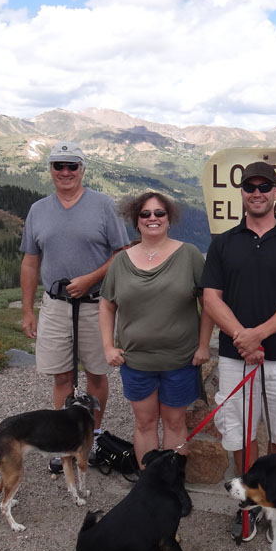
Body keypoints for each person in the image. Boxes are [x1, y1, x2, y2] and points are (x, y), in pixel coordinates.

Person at [201, 161, 276, 542]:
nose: (257, 193)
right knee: (240, 434)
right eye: (250, 187)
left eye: (264, 186)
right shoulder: (224, 243)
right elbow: (210, 298)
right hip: (236, 356)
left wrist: (260, 335)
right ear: (242, 192)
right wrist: (242, 338)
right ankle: (251, 504)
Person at [20, 142, 130, 467]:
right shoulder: (38, 210)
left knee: (96, 373)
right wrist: (27, 310)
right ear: (51, 170)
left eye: (72, 166)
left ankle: (92, 436)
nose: (66, 172)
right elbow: (30, 261)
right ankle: (65, 440)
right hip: (55, 305)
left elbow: (122, 252)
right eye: (59, 166)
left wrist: (90, 278)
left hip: (96, 304)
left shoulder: (103, 205)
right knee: (61, 376)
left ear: (82, 169)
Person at [99, 192, 214, 473]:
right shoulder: (121, 261)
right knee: (145, 424)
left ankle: (171, 485)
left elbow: (209, 303)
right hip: (136, 361)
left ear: (169, 218)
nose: (153, 218)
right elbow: (107, 305)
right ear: (136, 220)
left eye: (159, 213)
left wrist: (203, 345)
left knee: (175, 423)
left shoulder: (189, 255)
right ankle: (149, 485)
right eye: (146, 214)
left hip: (180, 359)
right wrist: (108, 347)